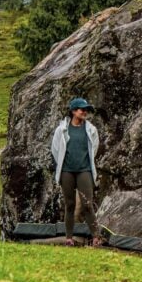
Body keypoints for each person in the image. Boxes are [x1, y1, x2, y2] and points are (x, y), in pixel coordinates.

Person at [50, 97, 107, 248]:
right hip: (67, 171)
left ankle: (96, 237)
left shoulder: (91, 129)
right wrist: (64, 164)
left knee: (87, 204)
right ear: (74, 111)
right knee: (69, 204)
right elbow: (55, 150)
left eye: (86, 110)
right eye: (82, 109)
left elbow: (93, 148)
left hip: (84, 170)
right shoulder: (61, 130)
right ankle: (69, 238)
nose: (85, 112)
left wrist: (83, 162)